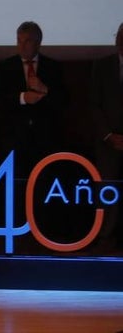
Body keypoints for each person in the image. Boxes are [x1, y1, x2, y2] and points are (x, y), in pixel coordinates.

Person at [0, 21, 68, 175]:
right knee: (16, 189)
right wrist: (23, 98)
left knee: (43, 186)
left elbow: (64, 101)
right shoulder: (5, 67)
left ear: (38, 42)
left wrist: (45, 89)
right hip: (14, 139)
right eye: (19, 41)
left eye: (27, 41)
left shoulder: (53, 67)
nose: (21, 46)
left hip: (46, 140)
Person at [89, 22, 123, 251]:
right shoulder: (101, 66)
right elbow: (93, 105)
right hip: (108, 142)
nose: (121, 40)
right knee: (107, 190)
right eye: (119, 36)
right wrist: (109, 135)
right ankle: (105, 238)